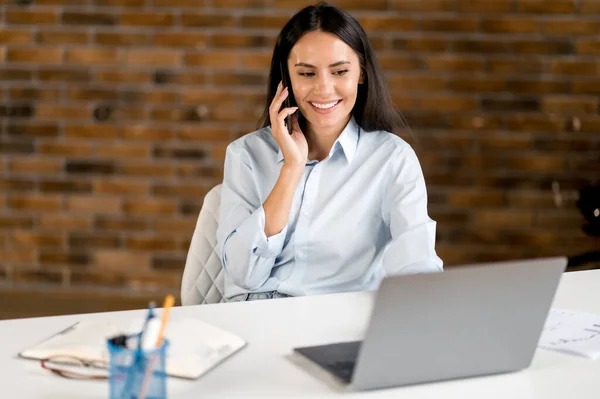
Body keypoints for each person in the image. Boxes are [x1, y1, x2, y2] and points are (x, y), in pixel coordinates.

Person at [216, 2, 443, 302]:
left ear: (361, 73)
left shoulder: (392, 159)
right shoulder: (246, 155)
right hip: (256, 316)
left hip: (338, 320)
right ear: (287, 79)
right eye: (307, 74)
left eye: (339, 72)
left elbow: (417, 263)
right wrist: (291, 169)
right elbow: (243, 275)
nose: (324, 89)